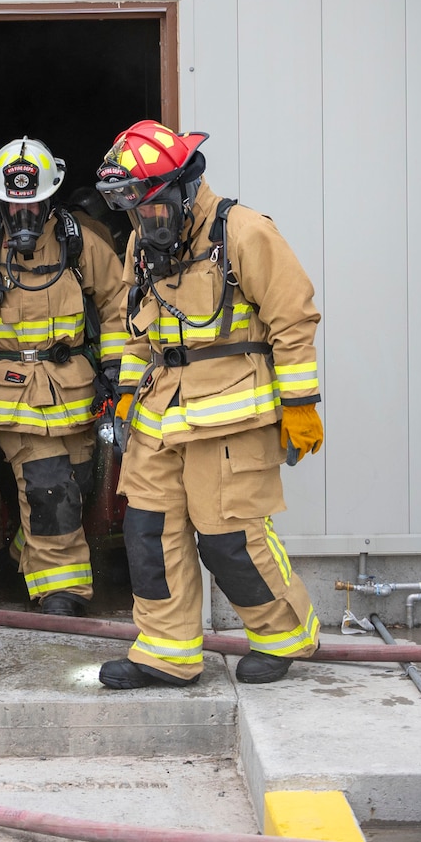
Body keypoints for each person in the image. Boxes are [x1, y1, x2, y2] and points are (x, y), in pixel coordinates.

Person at [92, 122, 324, 688]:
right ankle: (167, 652)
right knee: (147, 534)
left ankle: (284, 636)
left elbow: (292, 319)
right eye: (134, 212)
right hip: (157, 417)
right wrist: (124, 400)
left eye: (150, 209)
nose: (143, 222)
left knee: (229, 540)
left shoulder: (245, 232)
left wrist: (300, 405)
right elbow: (134, 331)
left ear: (183, 188)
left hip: (229, 419)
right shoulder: (140, 242)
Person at [0, 138, 129, 617]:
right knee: (48, 483)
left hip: (73, 387)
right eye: (15, 205)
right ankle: (62, 592)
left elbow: (119, 303)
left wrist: (116, 369)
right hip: (12, 390)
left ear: (49, 196)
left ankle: (22, 553)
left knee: (71, 485)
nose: (24, 215)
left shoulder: (81, 240)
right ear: (0, 199)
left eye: (33, 203)